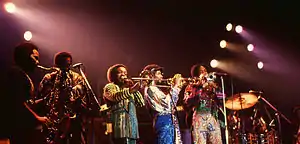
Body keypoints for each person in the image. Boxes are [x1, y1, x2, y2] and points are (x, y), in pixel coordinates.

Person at [0, 42, 48, 144]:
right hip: (17, 130)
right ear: (25, 57)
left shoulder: (21, 74)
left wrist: (46, 99)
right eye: (35, 58)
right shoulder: (15, 73)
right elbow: (18, 103)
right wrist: (38, 119)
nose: (38, 62)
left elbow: (27, 103)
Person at [38, 52, 89, 144]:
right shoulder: (49, 78)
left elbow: (83, 95)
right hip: (54, 118)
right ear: (56, 65)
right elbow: (42, 95)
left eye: (68, 64)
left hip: (73, 118)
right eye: (63, 65)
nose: (66, 67)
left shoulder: (77, 77)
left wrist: (72, 92)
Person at [103, 64, 145, 144]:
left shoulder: (128, 89)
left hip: (132, 129)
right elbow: (114, 97)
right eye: (120, 72)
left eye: (125, 73)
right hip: (119, 127)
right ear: (114, 75)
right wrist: (131, 90)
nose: (123, 75)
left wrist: (134, 89)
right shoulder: (110, 86)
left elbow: (141, 103)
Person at [142, 64, 183, 144]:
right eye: (158, 73)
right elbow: (168, 104)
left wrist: (174, 87)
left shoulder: (155, 89)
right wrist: (176, 87)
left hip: (168, 119)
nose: (161, 76)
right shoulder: (150, 89)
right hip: (163, 120)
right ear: (151, 76)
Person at [184, 64, 222, 144]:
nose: (205, 73)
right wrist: (200, 87)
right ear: (196, 75)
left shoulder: (211, 86)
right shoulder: (191, 86)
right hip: (199, 117)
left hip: (212, 117)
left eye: (205, 71)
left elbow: (221, 98)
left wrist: (215, 89)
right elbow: (187, 101)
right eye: (202, 71)